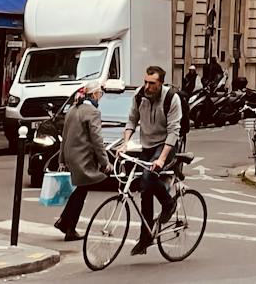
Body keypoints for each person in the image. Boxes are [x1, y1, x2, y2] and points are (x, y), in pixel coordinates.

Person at [117, 65, 181, 255]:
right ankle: (146, 237)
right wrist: (125, 144)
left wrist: (161, 159)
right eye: (145, 82)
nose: (147, 86)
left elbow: (174, 132)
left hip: (165, 145)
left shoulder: (171, 99)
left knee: (148, 176)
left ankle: (169, 204)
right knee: (144, 189)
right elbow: (132, 120)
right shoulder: (139, 96)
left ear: (160, 83)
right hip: (147, 145)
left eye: (152, 83)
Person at [52, 82, 113, 242]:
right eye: (100, 94)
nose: (100, 97)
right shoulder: (93, 112)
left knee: (80, 190)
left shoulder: (73, 109)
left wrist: (62, 159)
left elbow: (64, 136)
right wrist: (105, 162)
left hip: (71, 156)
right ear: (94, 94)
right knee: (81, 191)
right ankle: (68, 226)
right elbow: (97, 139)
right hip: (83, 158)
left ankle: (65, 222)